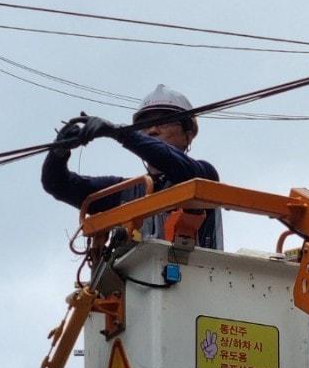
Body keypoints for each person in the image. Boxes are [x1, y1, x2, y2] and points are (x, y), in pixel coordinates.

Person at [41, 84, 223, 249]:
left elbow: (172, 162)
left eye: (164, 121)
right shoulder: (129, 192)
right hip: (142, 284)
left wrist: (118, 132)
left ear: (188, 134)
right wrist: (58, 152)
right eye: (145, 125)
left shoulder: (203, 175)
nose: (152, 130)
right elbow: (58, 184)